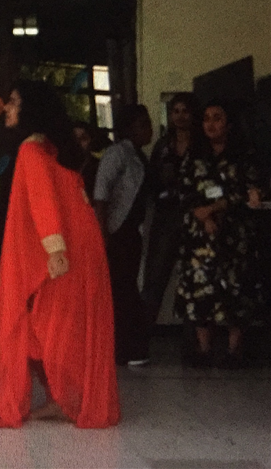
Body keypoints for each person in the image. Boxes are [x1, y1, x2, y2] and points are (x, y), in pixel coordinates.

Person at [0, 81, 119, 429]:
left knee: (46, 325)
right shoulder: (51, 149)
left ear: (31, 109)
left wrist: (55, 249)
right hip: (80, 244)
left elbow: (43, 201)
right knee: (63, 324)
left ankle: (67, 399)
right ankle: (67, 398)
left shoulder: (32, 149)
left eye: (14, 102)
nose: (7, 108)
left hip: (63, 250)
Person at [175, 99, 264, 369]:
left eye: (217, 118)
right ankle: (203, 349)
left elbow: (249, 190)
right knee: (200, 290)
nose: (211, 124)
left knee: (235, 289)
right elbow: (184, 189)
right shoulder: (194, 155)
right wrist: (202, 215)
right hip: (200, 237)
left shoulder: (243, 155)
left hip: (233, 235)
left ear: (229, 123)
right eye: (206, 119)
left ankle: (234, 351)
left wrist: (215, 209)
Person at [93, 104, 153, 366]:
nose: (148, 129)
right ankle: (124, 346)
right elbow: (101, 194)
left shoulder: (139, 156)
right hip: (116, 230)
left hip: (130, 231)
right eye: (142, 125)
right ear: (129, 128)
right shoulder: (117, 154)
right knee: (121, 288)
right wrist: (102, 231)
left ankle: (125, 345)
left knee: (125, 286)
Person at [141, 93, 198, 339]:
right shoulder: (162, 146)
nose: (180, 116)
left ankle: (194, 339)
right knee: (156, 276)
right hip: (166, 216)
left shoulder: (201, 145)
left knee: (194, 277)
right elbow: (152, 180)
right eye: (176, 111)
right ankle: (143, 336)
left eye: (185, 111)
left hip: (194, 216)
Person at [72, 120, 110, 202]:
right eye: (75, 140)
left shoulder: (99, 167)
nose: (79, 144)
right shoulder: (65, 167)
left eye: (83, 138)